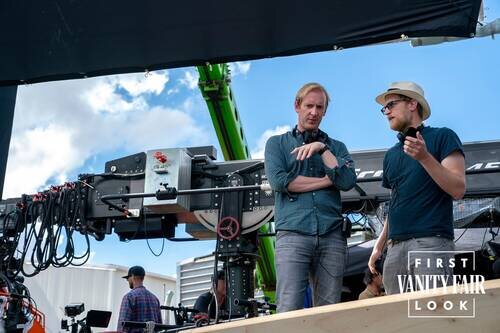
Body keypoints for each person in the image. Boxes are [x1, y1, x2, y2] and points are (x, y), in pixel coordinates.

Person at [264, 82, 357, 312]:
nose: (314, 112)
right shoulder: (277, 144)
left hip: (331, 236)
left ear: (325, 111)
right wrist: (328, 180)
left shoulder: (336, 147)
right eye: (309, 106)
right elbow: (280, 182)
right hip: (293, 234)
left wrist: (322, 149)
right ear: (297, 105)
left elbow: (346, 181)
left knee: (328, 312)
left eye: (319, 107)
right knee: (288, 309)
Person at [368, 81, 466, 295]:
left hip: (431, 242)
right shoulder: (391, 154)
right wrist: (380, 244)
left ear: (412, 104)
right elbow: (396, 203)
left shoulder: (443, 136)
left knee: (432, 317)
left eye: (391, 104)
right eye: (384, 108)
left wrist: (424, 158)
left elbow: (458, 189)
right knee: (400, 322)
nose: (386, 111)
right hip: (394, 248)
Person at [117, 266, 162, 332]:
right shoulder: (155, 299)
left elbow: (122, 327)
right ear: (143, 278)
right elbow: (159, 327)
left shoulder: (129, 297)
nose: (127, 280)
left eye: (128, 278)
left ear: (132, 276)